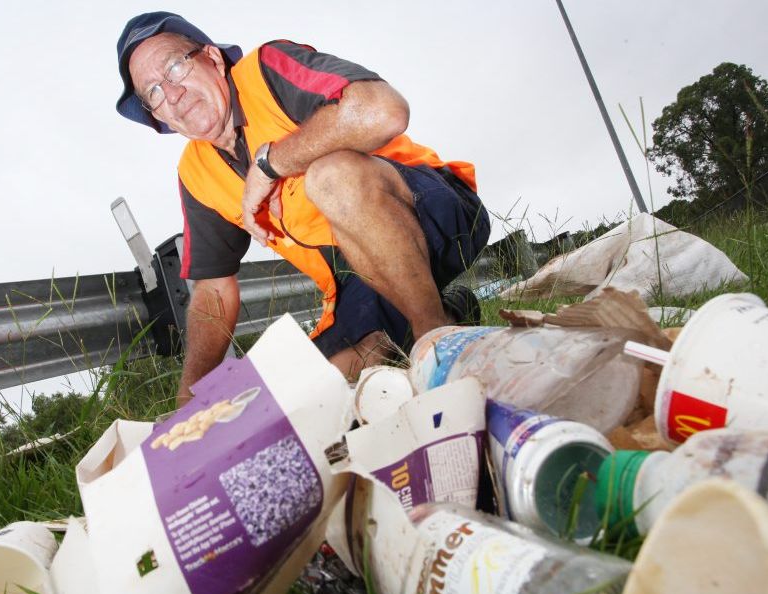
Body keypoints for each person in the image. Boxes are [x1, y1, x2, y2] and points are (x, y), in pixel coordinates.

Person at [116, 12, 491, 404]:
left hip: (431, 211)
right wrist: (187, 401)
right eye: (153, 93)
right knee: (309, 390)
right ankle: (448, 315)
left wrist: (271, 164)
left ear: (212, 59)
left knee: (330, 178)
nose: (172, 94)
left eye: (175, 67)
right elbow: (213, 289)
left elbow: (383, 110)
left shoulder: (263, 73)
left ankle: (436, 341)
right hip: (356, 278)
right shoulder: (195, 172)